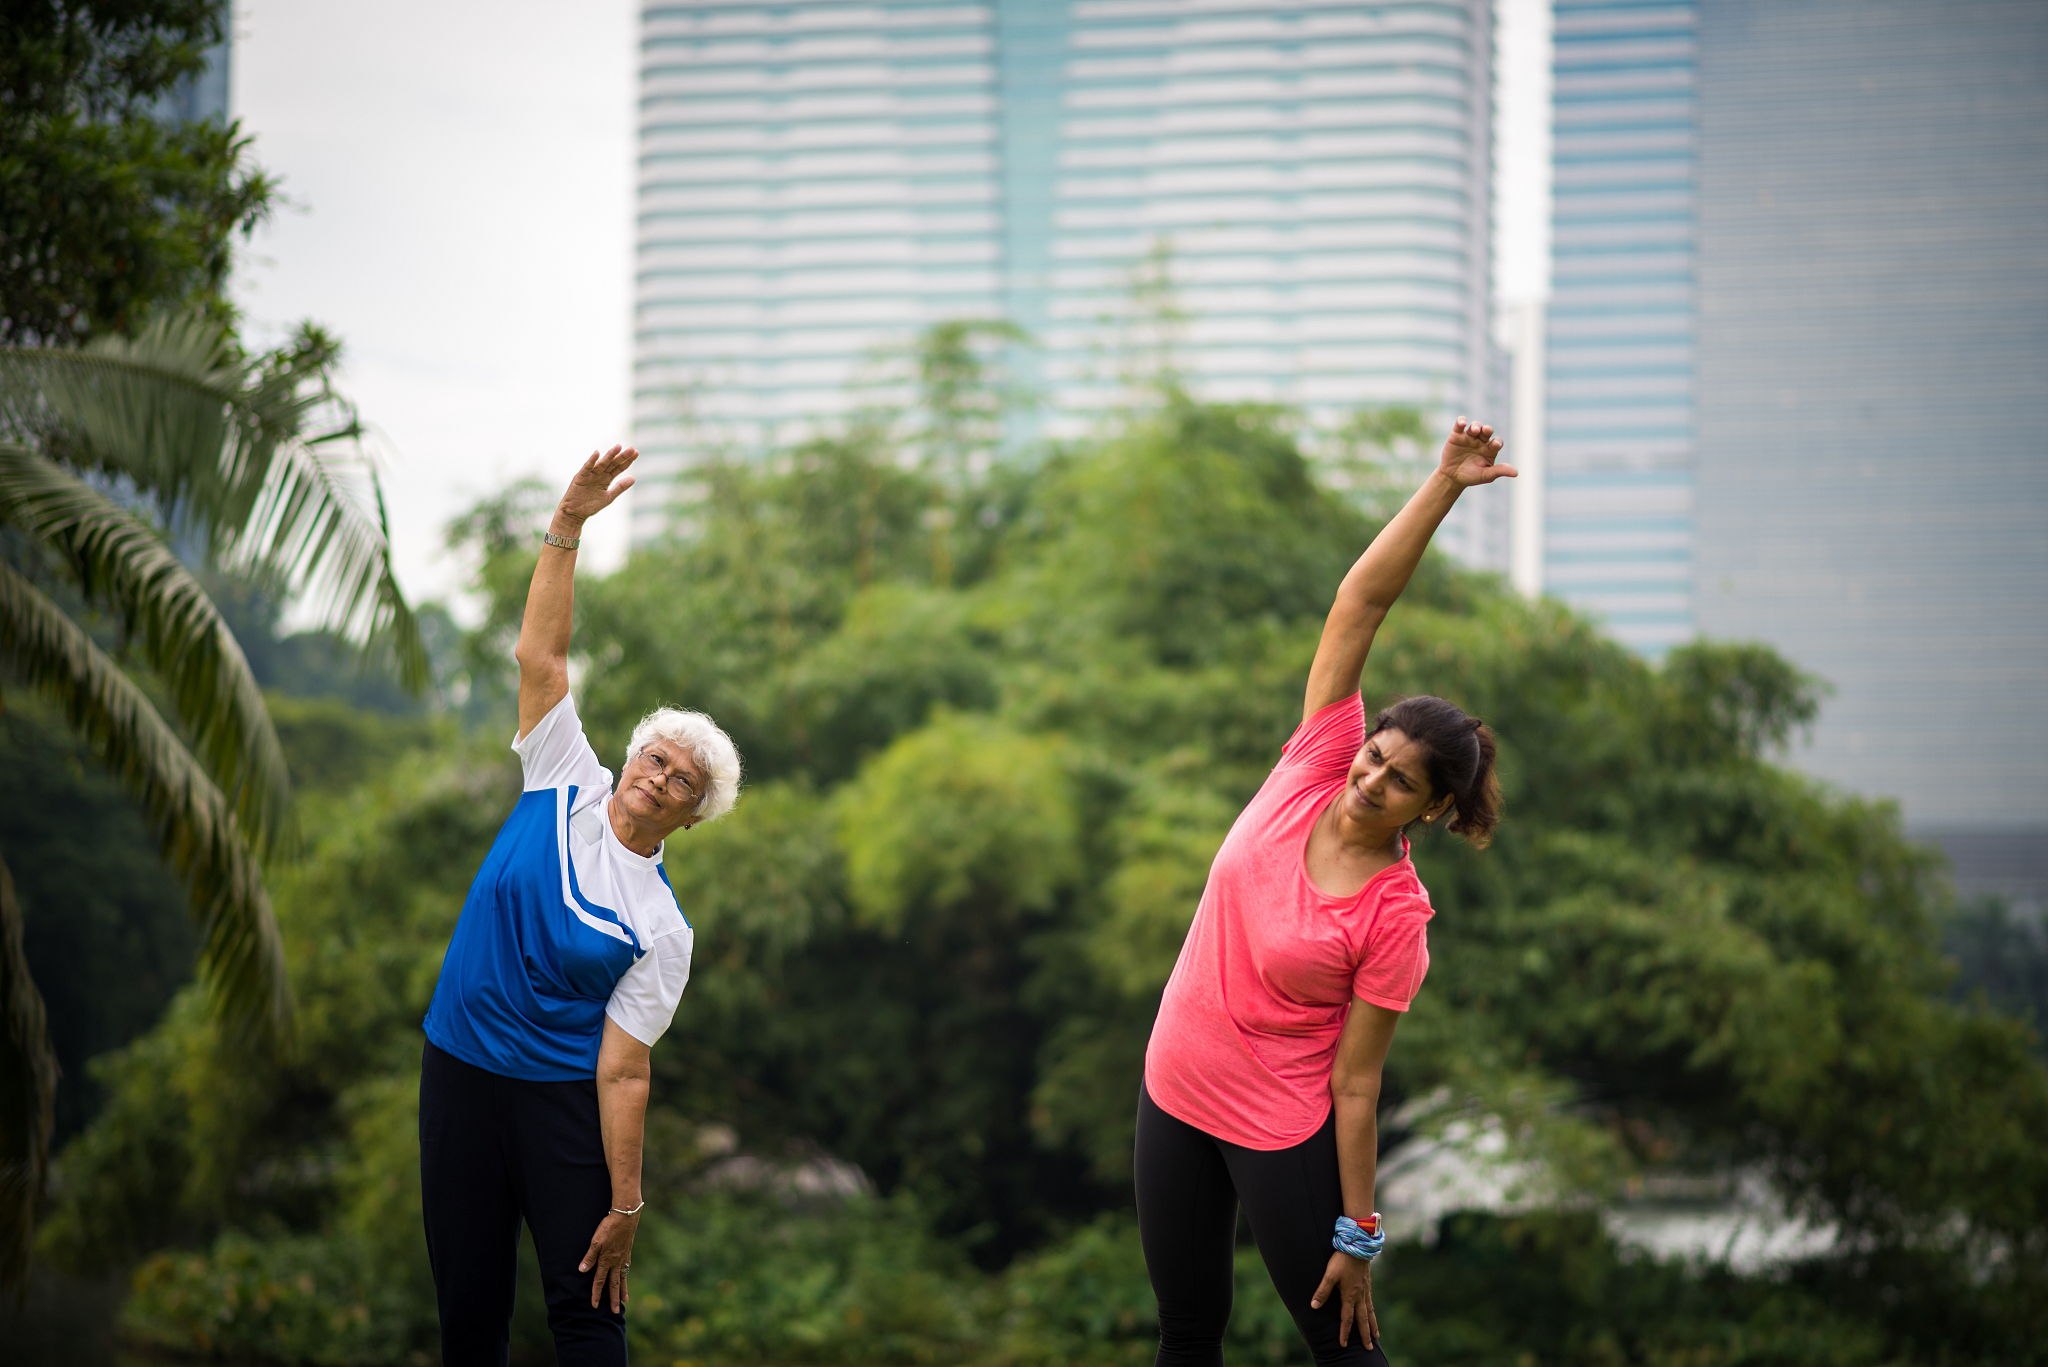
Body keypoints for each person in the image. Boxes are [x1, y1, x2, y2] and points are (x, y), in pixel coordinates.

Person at [1135, 419, 1513, 1367]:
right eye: (1376, 754)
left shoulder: (1397, 914)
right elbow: (1359, 602)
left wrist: (1359, 1235)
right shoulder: (1312, 760)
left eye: (1399, 782)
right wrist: (1443, 485)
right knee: (1185, 1335)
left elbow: (1356, 1080)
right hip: (1175, 1086)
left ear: (1428, 810)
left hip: (1280, 1124)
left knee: (1345, 1351)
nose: (1371, 780)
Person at [418, 446, 742, 1366]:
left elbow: (625, 1071)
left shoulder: (663, 928)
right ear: (631, 757)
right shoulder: (560, 775)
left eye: (685, 781)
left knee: (590, 1312)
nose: (663, 777)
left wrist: (626, 1205)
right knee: (469, 1313)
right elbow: (542, 654)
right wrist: (568, 525)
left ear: (692, 813)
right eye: (658, 758)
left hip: (560, 1105)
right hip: (460, 1077)